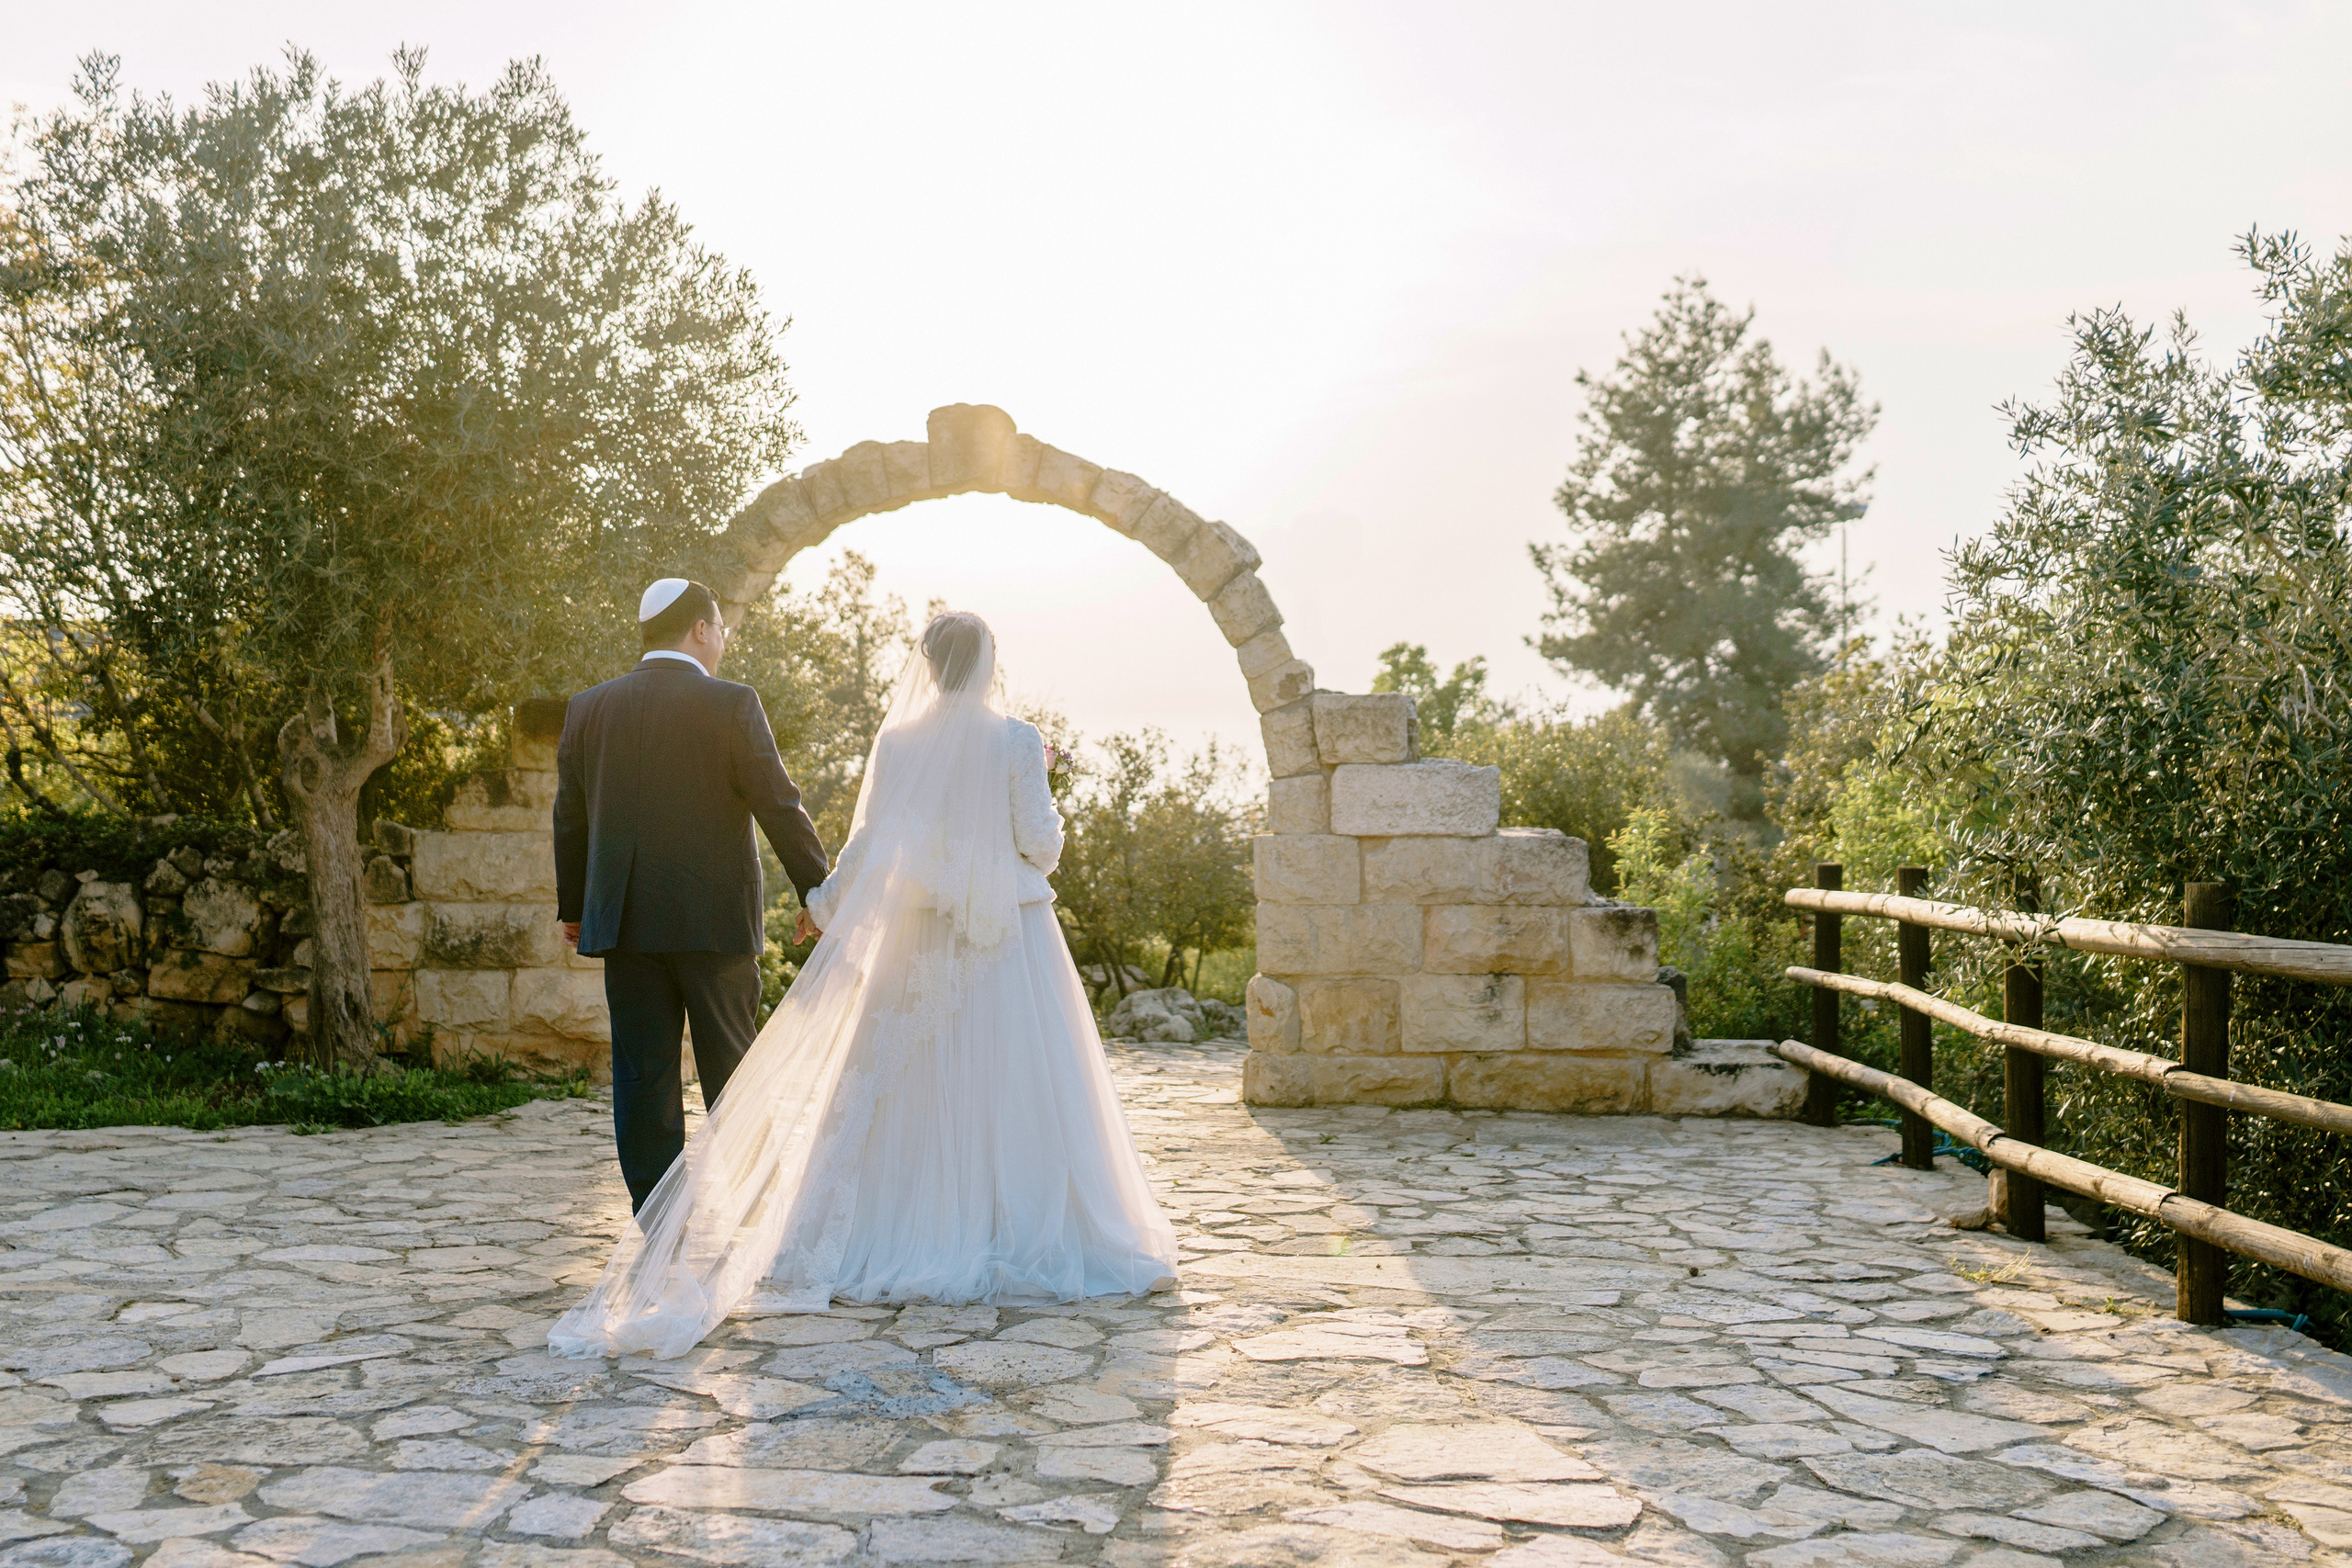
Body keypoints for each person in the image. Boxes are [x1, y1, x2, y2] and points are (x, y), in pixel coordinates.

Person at [550, 610, 1178, 1359]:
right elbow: (1040, 848)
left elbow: (871, 840)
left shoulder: (899, 740)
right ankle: (1008, 1227)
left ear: (928, 665)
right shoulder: (1016, 740)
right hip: (1005, 937)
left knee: (907, 1086)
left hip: (914, 936)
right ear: (986, 664)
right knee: (1015, 1078)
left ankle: (893, 1231)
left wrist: (824, 905)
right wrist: (1047, 792)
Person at [552, 578, 831, 1213]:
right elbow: (778, 802)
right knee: (734, 1072)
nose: (723, 640)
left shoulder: (589, 707)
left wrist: (574, 907)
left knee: (642, 1079)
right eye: (720, 628)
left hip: (626, 924)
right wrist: (816, 890)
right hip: (715, 923)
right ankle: (755, 1214)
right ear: (700, 629)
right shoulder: (732, 703)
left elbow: (570, 816)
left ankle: (659, 1225)